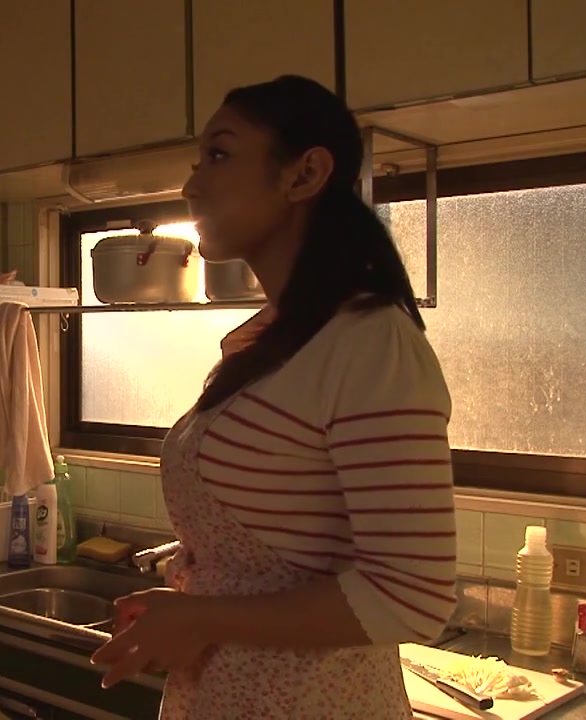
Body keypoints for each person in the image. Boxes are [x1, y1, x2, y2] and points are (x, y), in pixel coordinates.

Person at [90, 75, 457, 719]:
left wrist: (202, 618)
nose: (192, 186)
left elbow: (411, 597)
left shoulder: (370, 342)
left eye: (219, 154)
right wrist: (192, 600)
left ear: (305, 173)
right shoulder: (276, 341)